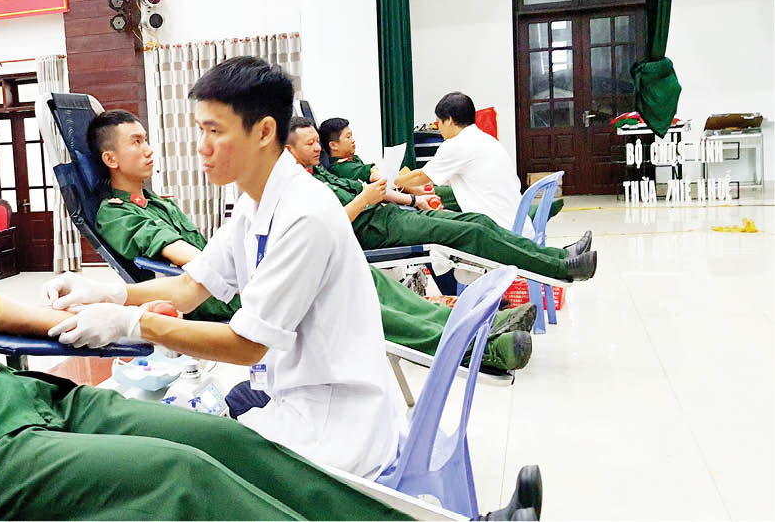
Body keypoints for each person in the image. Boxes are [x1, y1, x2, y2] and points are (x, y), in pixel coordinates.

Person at [0, 132, 411, 521]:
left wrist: (105, 310)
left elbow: (7, 313)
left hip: (41, 405)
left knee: (225, 440)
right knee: (177, 474)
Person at [45, 56, 406, 476]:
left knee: (177, 467)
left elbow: (247, 345)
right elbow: (189, 288)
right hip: (299, 394)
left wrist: (131, 323)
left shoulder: (304, 214)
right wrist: (110, 293)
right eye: (200, 130)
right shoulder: (254, 205)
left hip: (334, 424)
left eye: (215, 131)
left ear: (264, 131)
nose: (202, 146)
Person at [89, 109, 535, 370]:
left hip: (232, 278)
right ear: (110, 158)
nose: (149, 149)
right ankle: (481, 348)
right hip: (220, 297)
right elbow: (189, 264)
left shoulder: (158, 201)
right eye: (136, 142)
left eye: (147, 139)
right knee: (341, 300)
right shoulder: (117, 212)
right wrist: (247, 265)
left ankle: (476, 324)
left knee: (360, 277)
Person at [307, 118, 595, 282]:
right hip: (379, 229)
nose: (317, 148)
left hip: (394, 215)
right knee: (472, 232)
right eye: (309, 144)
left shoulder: (323, 173)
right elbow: (338, 221)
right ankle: (561, 268)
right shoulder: (309, 187)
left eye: (316, 142)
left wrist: (411, 201)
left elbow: (375, 190)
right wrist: (371, 198)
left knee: (479, 221)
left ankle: (559, 256)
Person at [395, 92, 565, 238]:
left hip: (499, 231)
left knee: (433, 232)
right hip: (520, 226)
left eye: (438, 122)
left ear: (450, 120)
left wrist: (391, 181)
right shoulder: (485, 139)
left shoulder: (456, 144)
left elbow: (421, 177)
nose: (438, 128)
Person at [317, 117, 383, 183]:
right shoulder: (340, 169)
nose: (353, 140)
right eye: (348, 137)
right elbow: (372, 174)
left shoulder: (352, 159)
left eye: (351, 136)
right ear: (333, 145)